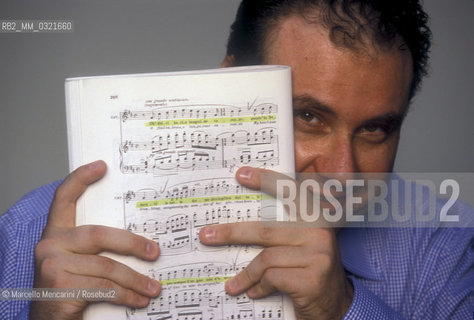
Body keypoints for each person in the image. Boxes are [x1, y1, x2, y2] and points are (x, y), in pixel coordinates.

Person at [0, 0, 472, 319]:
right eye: (308, 115)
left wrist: (342, 308)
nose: (343, 174)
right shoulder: (31, 232)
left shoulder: (441, 247)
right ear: (230, 83)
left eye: (375, 129)